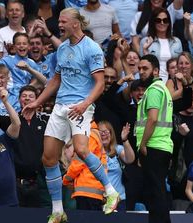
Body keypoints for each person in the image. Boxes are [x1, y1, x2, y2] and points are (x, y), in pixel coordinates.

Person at [23, 8, 120, 223]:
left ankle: (111, 191)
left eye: (63, 21)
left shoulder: (92, 48)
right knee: (48, 158)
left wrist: (85, 104)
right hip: (60, 107)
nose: (59, 25)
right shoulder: (63, 48)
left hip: (81, 106)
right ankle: (58, 211)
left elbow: (100, 83)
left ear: (76, 24)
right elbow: (56, 80)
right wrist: (37, 102)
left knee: (82, 149)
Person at [136, 54, 173, 223]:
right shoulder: (163, 89)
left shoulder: (154, 90)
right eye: (139, 69)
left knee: (156, 194)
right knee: (157, 192)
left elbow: (152, 118)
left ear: (156, 71)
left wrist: (143, 144)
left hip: (153, 146)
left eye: (145, 69)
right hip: (161, 146)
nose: (141, 72)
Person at [62, 121, 106, 211]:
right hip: (91, 190)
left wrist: (67, 179)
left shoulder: (88, 135)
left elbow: (79, 162)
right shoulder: (91, 134)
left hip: (88, 190)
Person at [98, 121, 135, 211]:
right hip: (100, 199)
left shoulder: (117, 149)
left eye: (106, 132)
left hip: (119, 199)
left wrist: (125, 140)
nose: (103, 134)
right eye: (100, 132)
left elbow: (130, 159)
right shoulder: (92, 153)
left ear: (111, 134)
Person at [140, 7, 182, 83]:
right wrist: (145, 50)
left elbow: (180, 65)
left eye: (165, 20)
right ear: (153, 22)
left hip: (174, 82)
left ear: (169, 23)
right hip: (153, 81)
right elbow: (143, 66)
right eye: (158, 20)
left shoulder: (177, 41)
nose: (162, 23)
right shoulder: (145, 41)